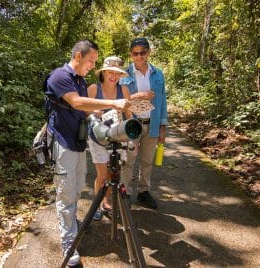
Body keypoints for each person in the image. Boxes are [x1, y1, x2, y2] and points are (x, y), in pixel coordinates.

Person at [45, 40, 131, 266]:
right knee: (65, 195)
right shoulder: (59, 77)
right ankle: (68, 242)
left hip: (78, 143)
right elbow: (76, 103)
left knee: (75, 189)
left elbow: (86, 111)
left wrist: (103, 120)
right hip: (62, 144)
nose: (93, 65)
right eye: (91, 60)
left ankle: (70, 224)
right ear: (77, 57)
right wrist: (113, 103)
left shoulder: (81, 81)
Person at [120, 37, 168, 209]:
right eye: (135, 53)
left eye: (143, 52)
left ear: (148, 52)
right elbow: (119, 101)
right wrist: (137, 96)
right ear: (130, 55)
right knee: (129, 160)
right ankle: (124, 193)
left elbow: (162, 101)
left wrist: (163, 126)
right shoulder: (124, 75)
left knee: (147, 161)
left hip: (152, 123)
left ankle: (144, 192)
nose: (139, 56)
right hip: (132, 123)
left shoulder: (158, 74)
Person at [86, 56, 133, 221]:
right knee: (103, 174)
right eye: (110, 72)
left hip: (119, 136)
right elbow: (85, 111)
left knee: (115, 174)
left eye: (117, 73)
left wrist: (133, 137)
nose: (114, 76)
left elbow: (129, 114)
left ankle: (107, 202)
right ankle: (100, 203)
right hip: (98, 137)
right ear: (103, 72)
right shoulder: (93, 88)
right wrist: (95, 112)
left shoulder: (124, 91)